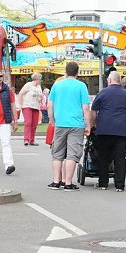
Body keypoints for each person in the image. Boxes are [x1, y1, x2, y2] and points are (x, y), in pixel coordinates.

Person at [47, 61, 91, 191]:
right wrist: (87, 124)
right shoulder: (81, 86)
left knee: (57, 153)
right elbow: (86, 107)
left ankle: (56, 181)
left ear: (65, 71)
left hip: (60, 122)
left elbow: (50, 105)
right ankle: (68, 182)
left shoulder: (57, 85)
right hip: (76, 124)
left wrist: (52, 120)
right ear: (77, 72)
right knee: (72, 154)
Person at [91, 71, 126, 192]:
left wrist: (94, 124)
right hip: (121, 130)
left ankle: (103, 183)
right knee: (120, 158)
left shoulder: (102, 93)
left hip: (104, 129)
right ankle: (120, 185)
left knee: (103, 157)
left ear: (110, 80)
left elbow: (94, 111)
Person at [18, 73, 43, 146]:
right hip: (27, 105)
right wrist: (20, 104)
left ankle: (32, 140)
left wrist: (41, 99)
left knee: (34, 124)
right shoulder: (28, 85)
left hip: (36, 106)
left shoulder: (39, 86)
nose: (40, 81)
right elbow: (21, 93)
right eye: (40, 79)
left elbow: (40, 95)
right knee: (28, 123)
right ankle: (26, 139)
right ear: (37, 79)